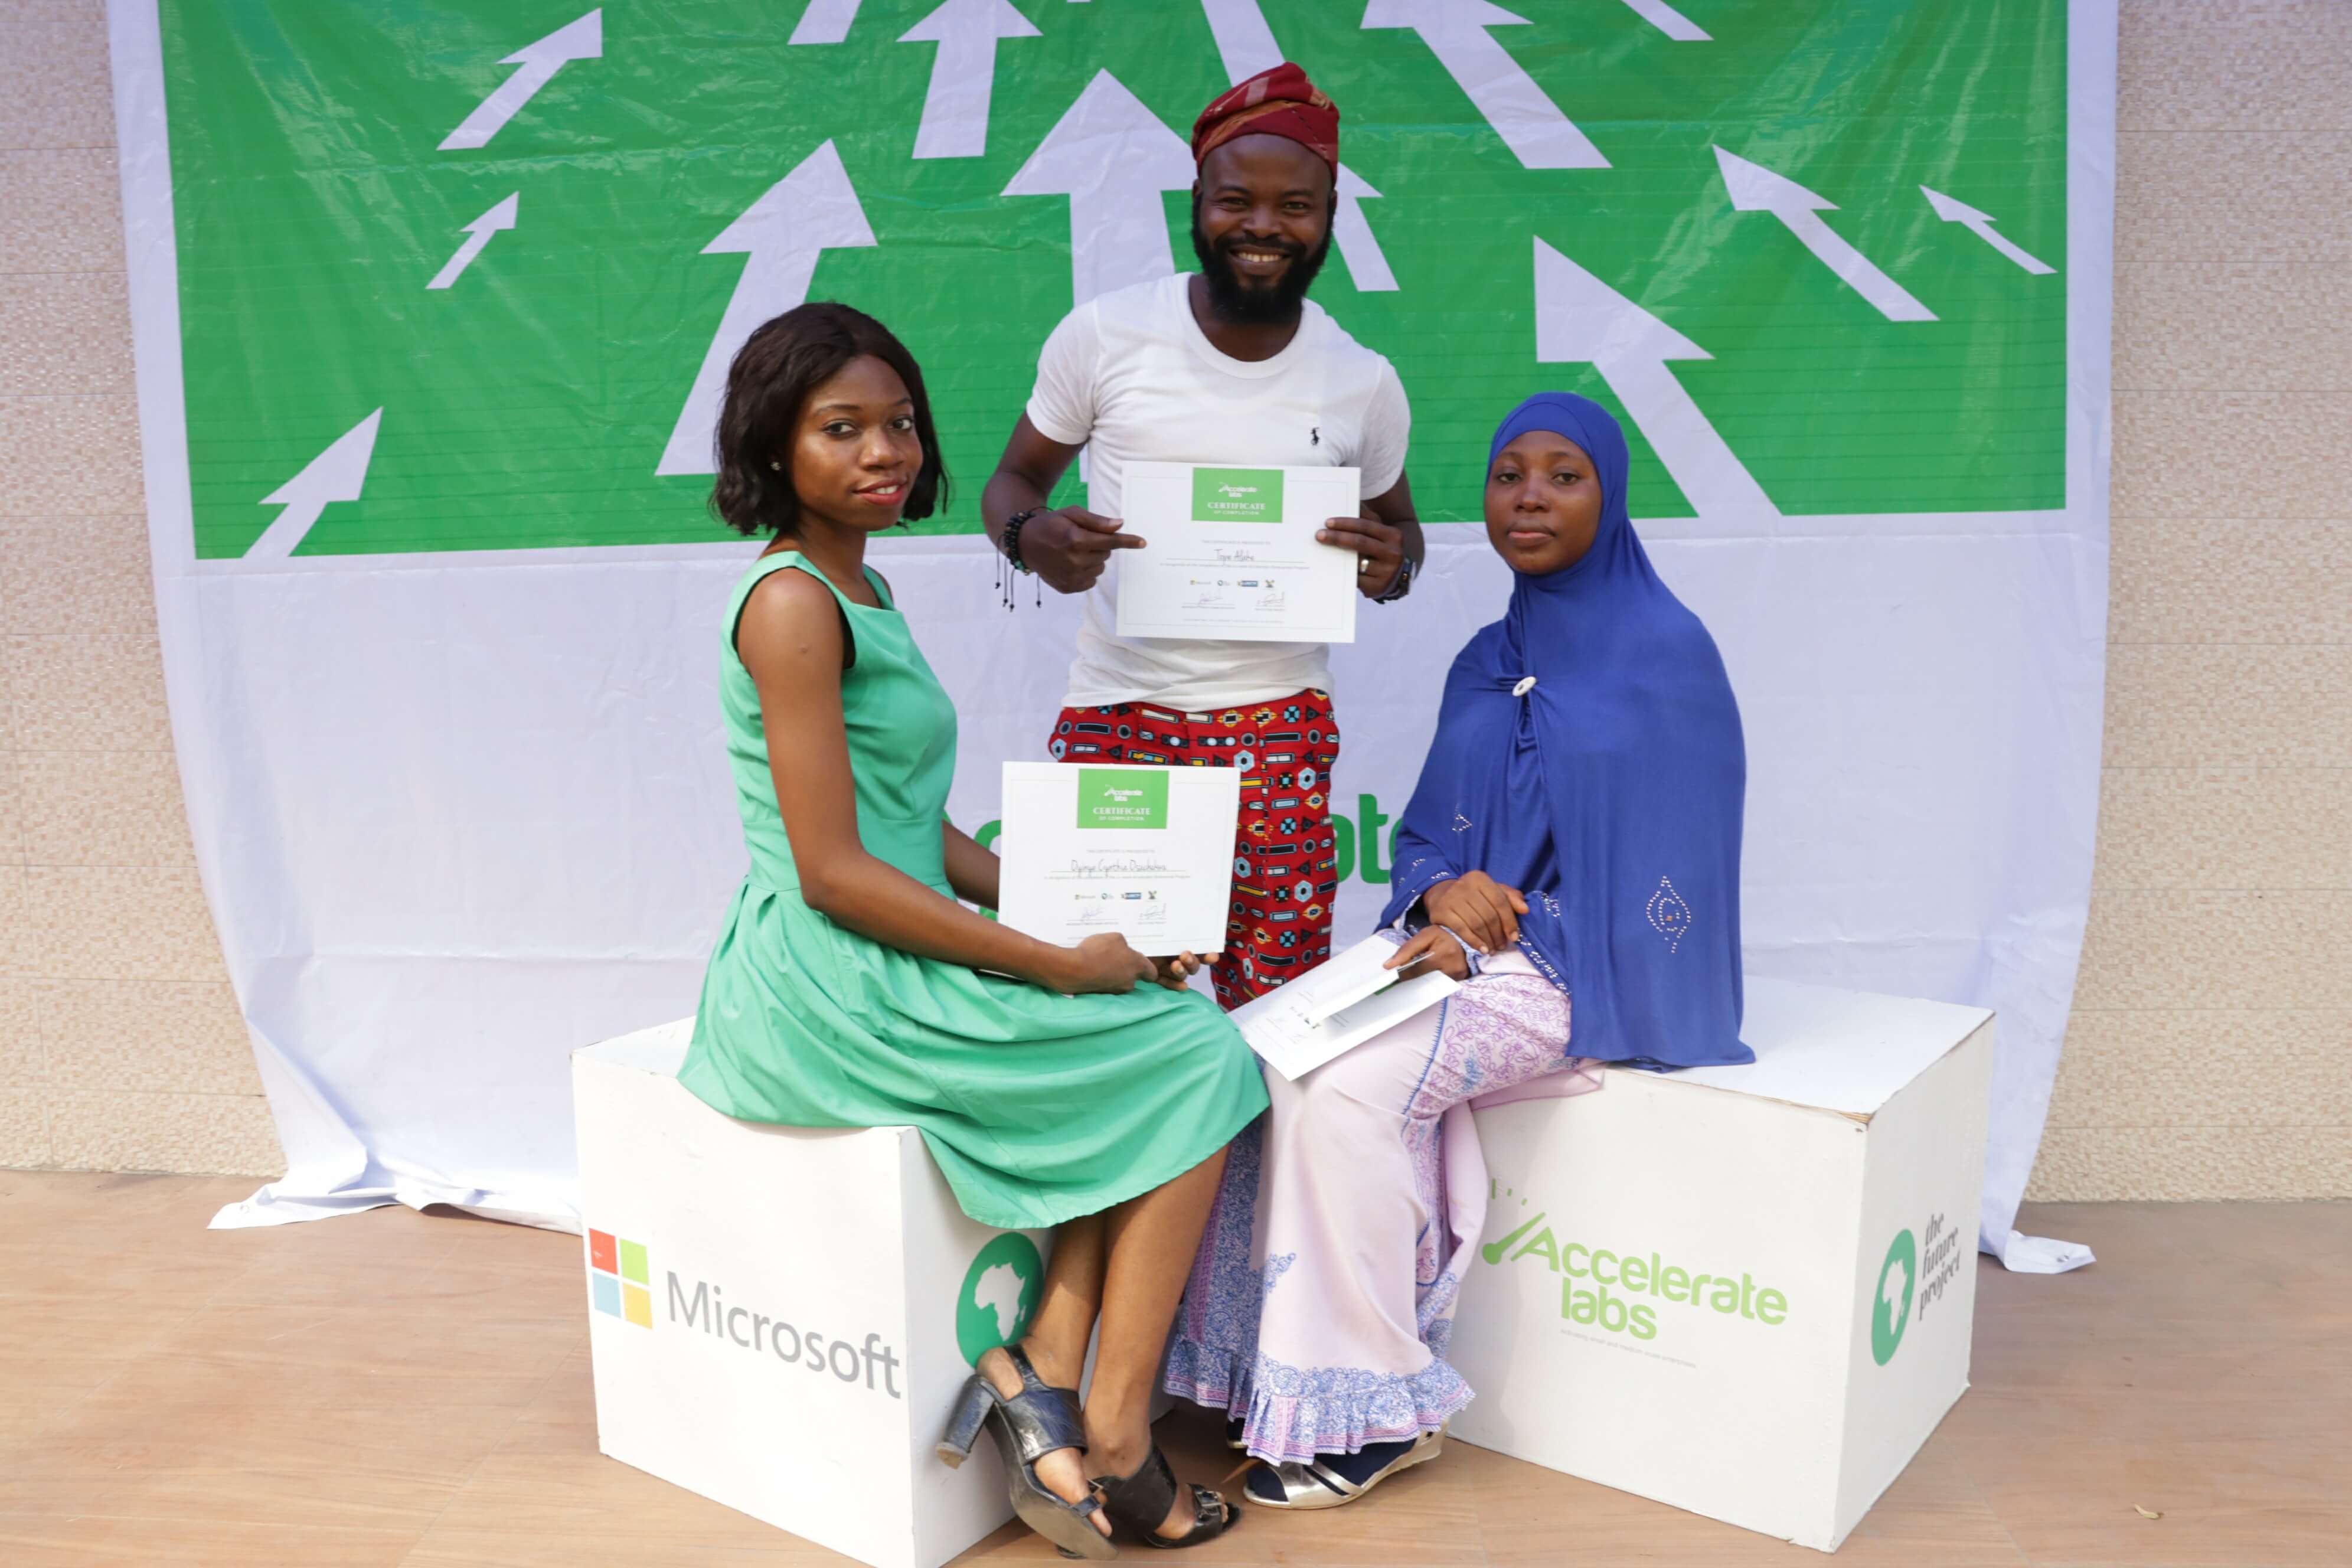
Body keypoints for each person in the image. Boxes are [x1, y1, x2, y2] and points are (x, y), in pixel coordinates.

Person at [676, 302, 1262, 1556]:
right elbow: (835, 873)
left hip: (881, 938)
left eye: (899, 423)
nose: (883, 451)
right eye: (842, 429)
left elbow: (915, 830)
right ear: (774, 445)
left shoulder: (861, 585)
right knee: (1201, 1055)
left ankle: (1045, 1364)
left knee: (1156, 1025)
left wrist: (1087, 922)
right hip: (827, 979)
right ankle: (1113, 1431)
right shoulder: (791, 604)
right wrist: (1054, 961)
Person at [1164, 393, 1756, 1508]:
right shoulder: (1488, 659)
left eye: (1564, 476)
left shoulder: (1666, 656)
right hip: (1454, 946)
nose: (1528, 497)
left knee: (1348, 1087)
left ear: (1612, 494)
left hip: (1589, 969)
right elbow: (1428, 835)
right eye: (1507, 474)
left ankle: (1380, 1409)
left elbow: (1675, 883)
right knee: (1259, 1055)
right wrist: (1442, 893)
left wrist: (1505, 930)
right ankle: (1255, 1373)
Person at [983, 62, 1423, 1010]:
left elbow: (1403, 542)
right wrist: (1031, 538)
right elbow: (1013, 482)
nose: (1263, 227)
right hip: (1120, 711)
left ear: (1331, 214)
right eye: (1236, 201)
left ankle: (1255, 1121)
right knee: (1103, 989)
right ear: (1196, 202)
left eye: (1295, 206)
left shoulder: (1362, 379)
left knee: (1278, 999)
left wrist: (1389, 570)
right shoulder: (1105, 339)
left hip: (1279, 722)